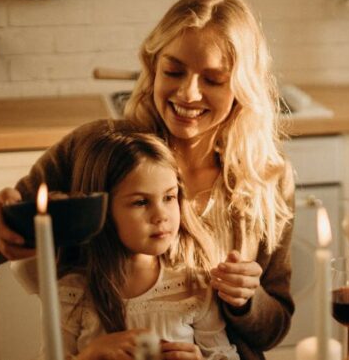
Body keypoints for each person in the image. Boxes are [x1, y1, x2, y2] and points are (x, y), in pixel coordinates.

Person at [0, 0, 294, 360]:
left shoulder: (266, 179)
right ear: (153, 66)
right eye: (174, 71)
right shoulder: (98, 151)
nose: (189, 93)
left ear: (242, 86)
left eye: (213, 80)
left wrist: (247, 300)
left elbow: (272, 331)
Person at [47, 131, 239, 359]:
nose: (161, 215)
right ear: (102, 211)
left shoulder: (193, 285)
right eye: (140, 202)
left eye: (169, 198)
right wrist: (89, 355)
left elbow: (224, 354)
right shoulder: (73, 292)